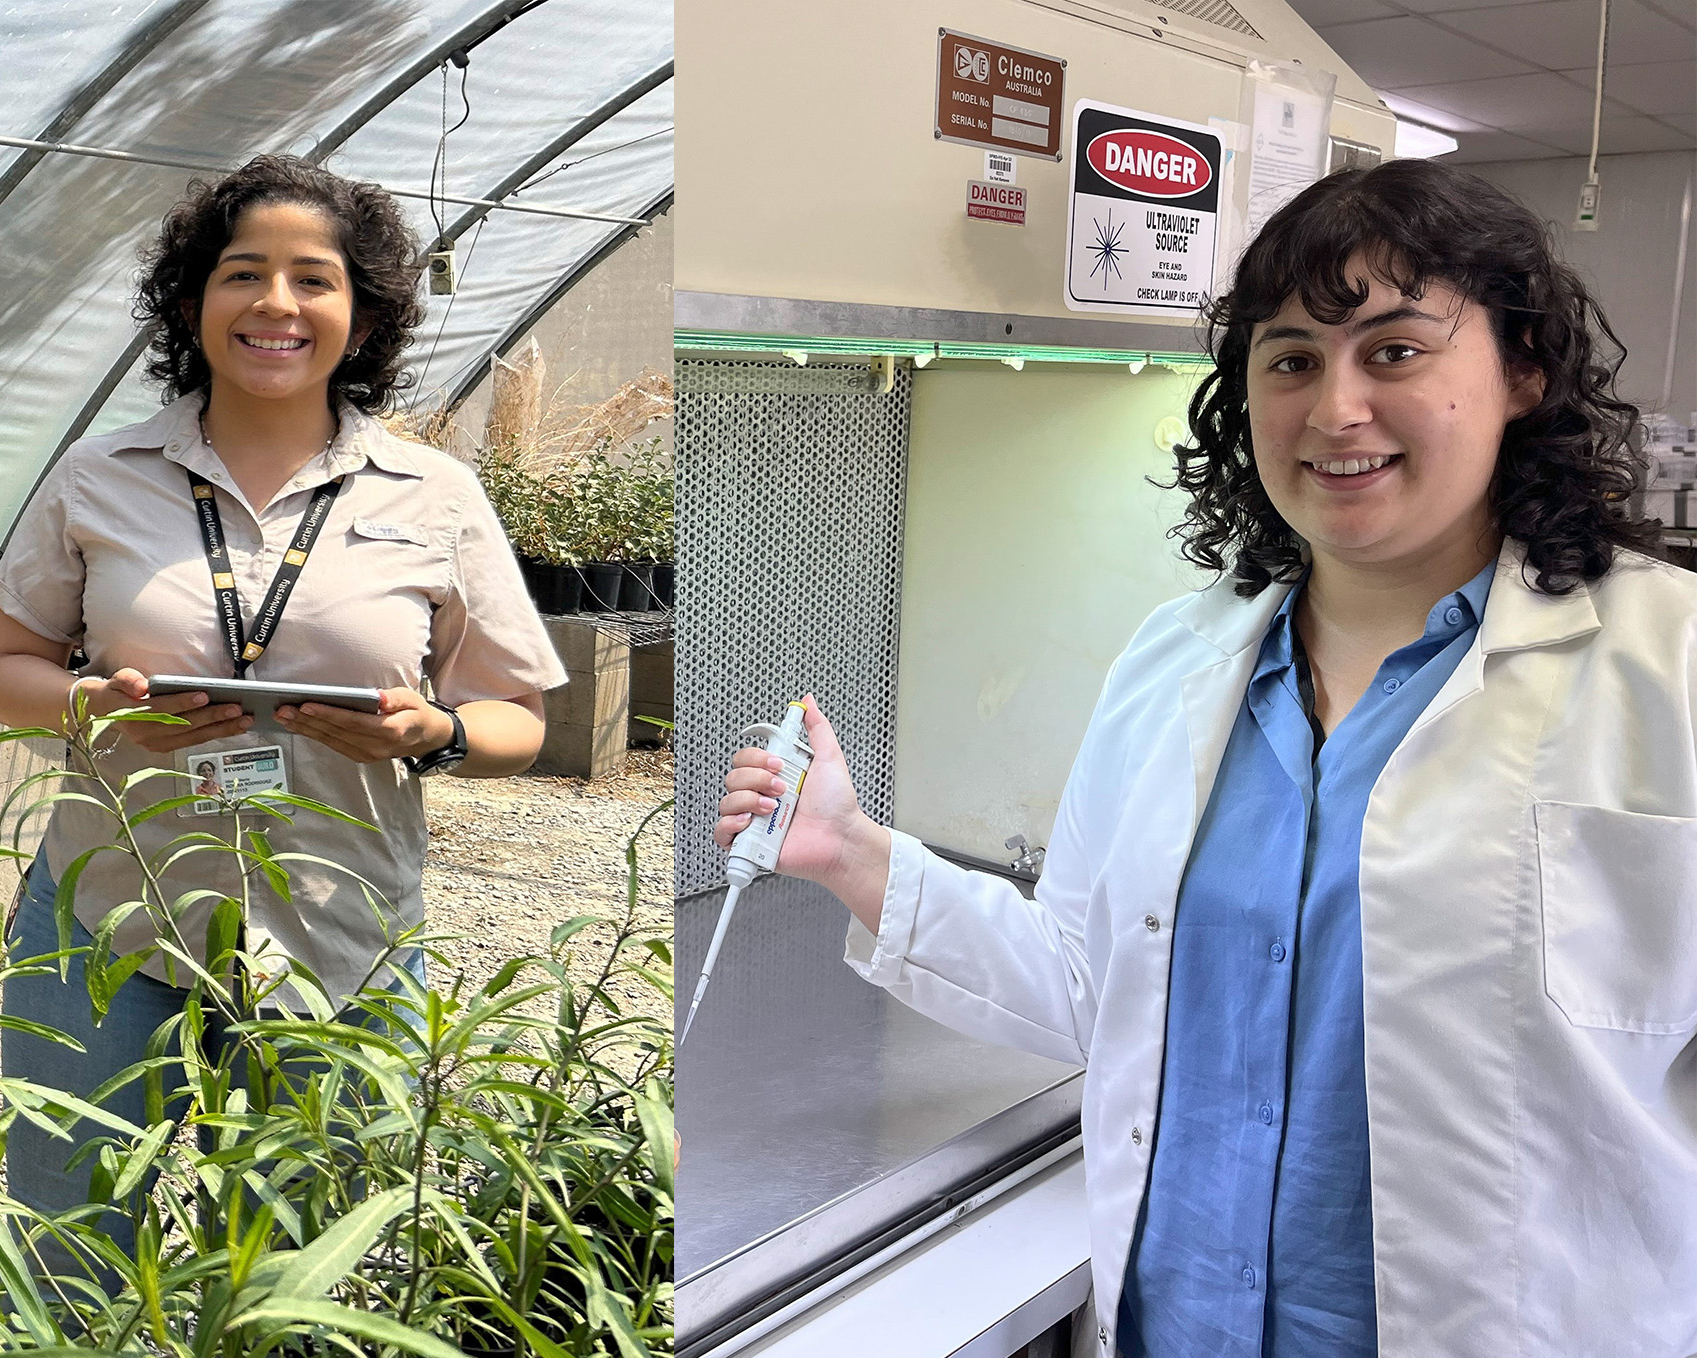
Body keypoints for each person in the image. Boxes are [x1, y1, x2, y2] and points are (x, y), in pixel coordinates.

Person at [717, 158, 1697, 1356]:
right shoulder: (1177, 658)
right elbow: (1094, 982)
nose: (1335, 408)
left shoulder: (1670, 668)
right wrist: (857, 856)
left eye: (1394, 350)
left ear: (1522, 372)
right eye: (1291, 359)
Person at [0, 153, 568, 1279]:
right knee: (66, 1251)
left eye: (315, 279)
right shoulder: (99, 478)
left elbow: (518, 716)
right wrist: (92, 709)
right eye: (243, 274)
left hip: (338, 938)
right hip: (108, 917)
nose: (277, 306)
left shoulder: (433, 494)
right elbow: (8, 663)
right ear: (194, 299)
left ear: (364, 311)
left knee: (301, 1269)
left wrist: (431, 732)